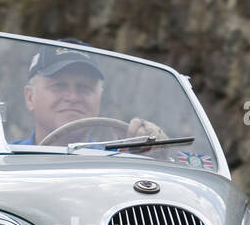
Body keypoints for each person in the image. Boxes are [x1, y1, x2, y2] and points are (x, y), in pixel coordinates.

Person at [14, 39, 166, 146]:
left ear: (99, 98)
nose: (73, 97)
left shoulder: (121, 165)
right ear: (30, 97)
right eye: (58, 86)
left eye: (84, 87)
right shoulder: (4, 162)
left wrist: (156, 152)